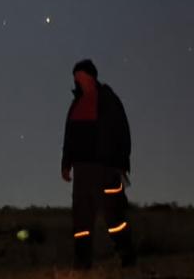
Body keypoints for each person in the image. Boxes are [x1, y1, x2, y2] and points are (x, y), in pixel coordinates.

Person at [60, 59, 135, 269]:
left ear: (91, 76)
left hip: (105, 168)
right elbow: (69, 138)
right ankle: (82, 263)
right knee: (81, 220)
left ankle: (127, 254)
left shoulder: (108, 100)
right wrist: (66, 164)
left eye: (81, 75)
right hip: (82, 171)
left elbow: (122, 132)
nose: (78, 80)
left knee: (114, 217)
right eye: (76, 77)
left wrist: (121, 164)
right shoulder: (75, 104)